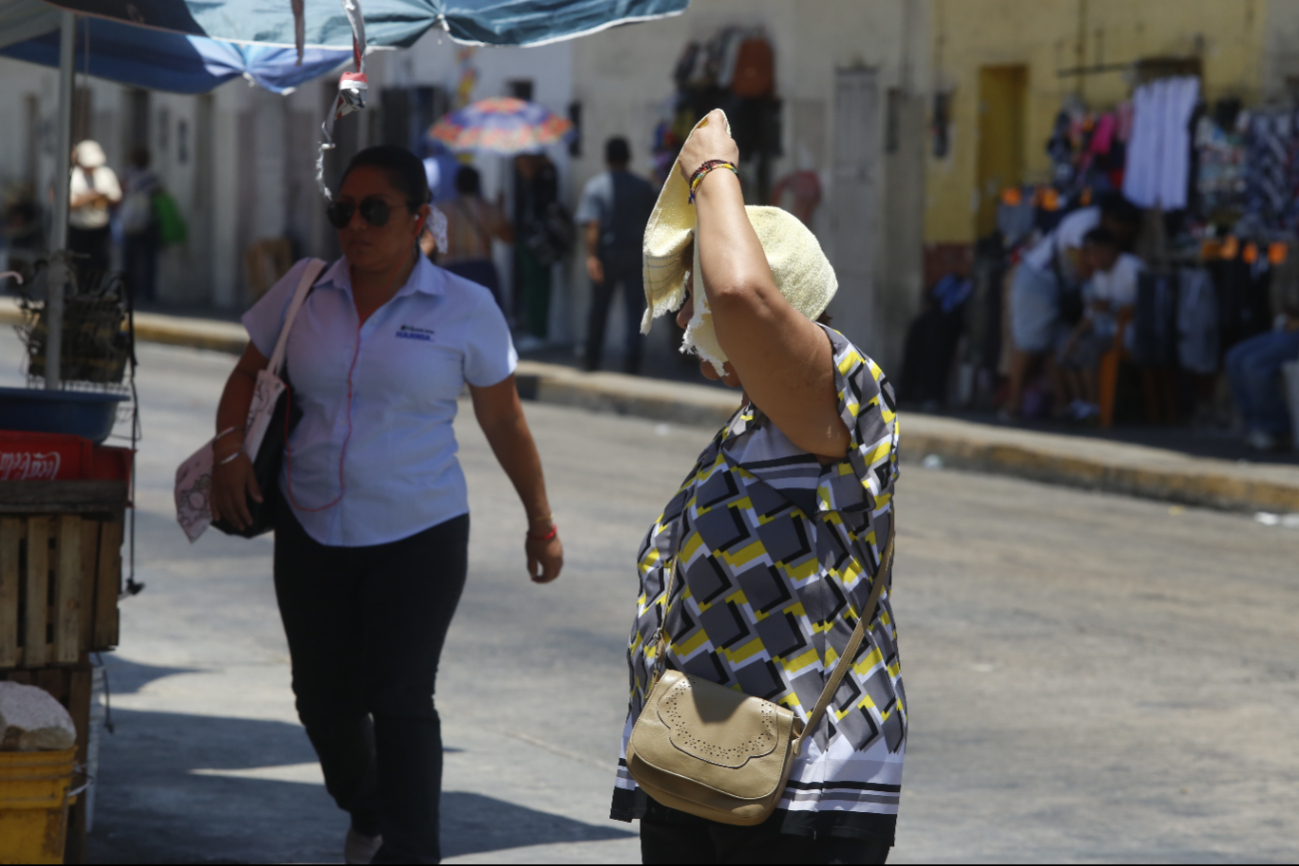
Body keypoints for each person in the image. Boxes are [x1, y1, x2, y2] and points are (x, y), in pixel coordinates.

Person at [208, 145, 563, 864]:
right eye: (344, 211)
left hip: (419, 532)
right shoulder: (305, 291)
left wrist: (540, 521)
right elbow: (248, 372)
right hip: (310, 525)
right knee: (323, 702)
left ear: (418, 219)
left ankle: (409, 851)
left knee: (399, 698)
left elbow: (503, 422)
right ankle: (367, 809)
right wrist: (227, 451)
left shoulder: (465, 309)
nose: (356, 226)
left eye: (375, 211)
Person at [613, 110, 904, 865]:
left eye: (696, 289)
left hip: (800, 784)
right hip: (702, 761)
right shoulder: (751, 426)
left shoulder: (844, 393)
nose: (688, 310)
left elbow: (742, 297)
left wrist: (713, 171)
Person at [1003, 192, 1141, 421]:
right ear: (1110, 219)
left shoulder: (1121, 259)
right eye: (1121, 230)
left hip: (1063, 287)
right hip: (1040, 278)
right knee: (1029, 342)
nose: (1121, 237)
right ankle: (1014, 405)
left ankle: (1066, 405)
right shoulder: (1085, 225)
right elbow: (1085, 268)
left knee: (1060, 344)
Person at [576, 136, 656, 372]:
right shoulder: (644, 187)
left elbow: (593, 225)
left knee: (599, 308)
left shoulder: (596, 187)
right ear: (628, 157)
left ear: (606, 157)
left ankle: (592, 357)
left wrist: (591, 257)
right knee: (634, 310)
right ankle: (633, 359)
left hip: (607, 255)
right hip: (635, 256)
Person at [1057, 227, 1143, 421]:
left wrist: (1112, 307)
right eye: (1089, 254)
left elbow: (1146, 307)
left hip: (1129, 334)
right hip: (1105, 331)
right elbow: (1091, 313)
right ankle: (1081, 403)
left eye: (1098, 251)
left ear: (1112, 249)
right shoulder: (1098, 276)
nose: (1093, 258)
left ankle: (1095, 406)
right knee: (1067, 349)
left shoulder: (1131, 267)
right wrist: (1073, 338)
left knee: (1089, 347)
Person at [423, 165, 513, 306]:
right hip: (482, 272)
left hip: (450, 272)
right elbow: (508, 238)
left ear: (456, 185)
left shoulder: (441, 211)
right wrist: (500, 210)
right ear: (477, 184)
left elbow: (426, 246)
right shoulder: (489, 209)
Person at [1225, 309, 1299, 451]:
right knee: (1233, 357)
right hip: (1285, 329)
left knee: (1254, 364)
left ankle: (1275, 429)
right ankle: (1254, 426)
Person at [513, 152, 560, 344]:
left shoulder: (545, 173)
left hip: (540, 239)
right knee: (531, 283)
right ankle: (533, 327)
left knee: (538, 284)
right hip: (527, 238)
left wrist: (531, 179)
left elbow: (543, 205)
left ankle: (538, 331)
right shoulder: (527, 178)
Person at [67, 140, 121, 273]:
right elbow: (68, 204)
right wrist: (89, 197)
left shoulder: (106, 174)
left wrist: (104, 197)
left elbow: (116, 198)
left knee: (99, 263)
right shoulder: (73, 176)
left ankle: (95, 290)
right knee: (77, 264)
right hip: (78, 228)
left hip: (100, 227)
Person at [121, 146, 160, 304]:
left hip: (130, 222)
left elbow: (120, 193)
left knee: (129, 259)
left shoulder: (127, 175)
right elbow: (159, 195)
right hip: (148, 222)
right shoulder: (152, 176)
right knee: (149, 259)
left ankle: (130, 290)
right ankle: (148, 292)